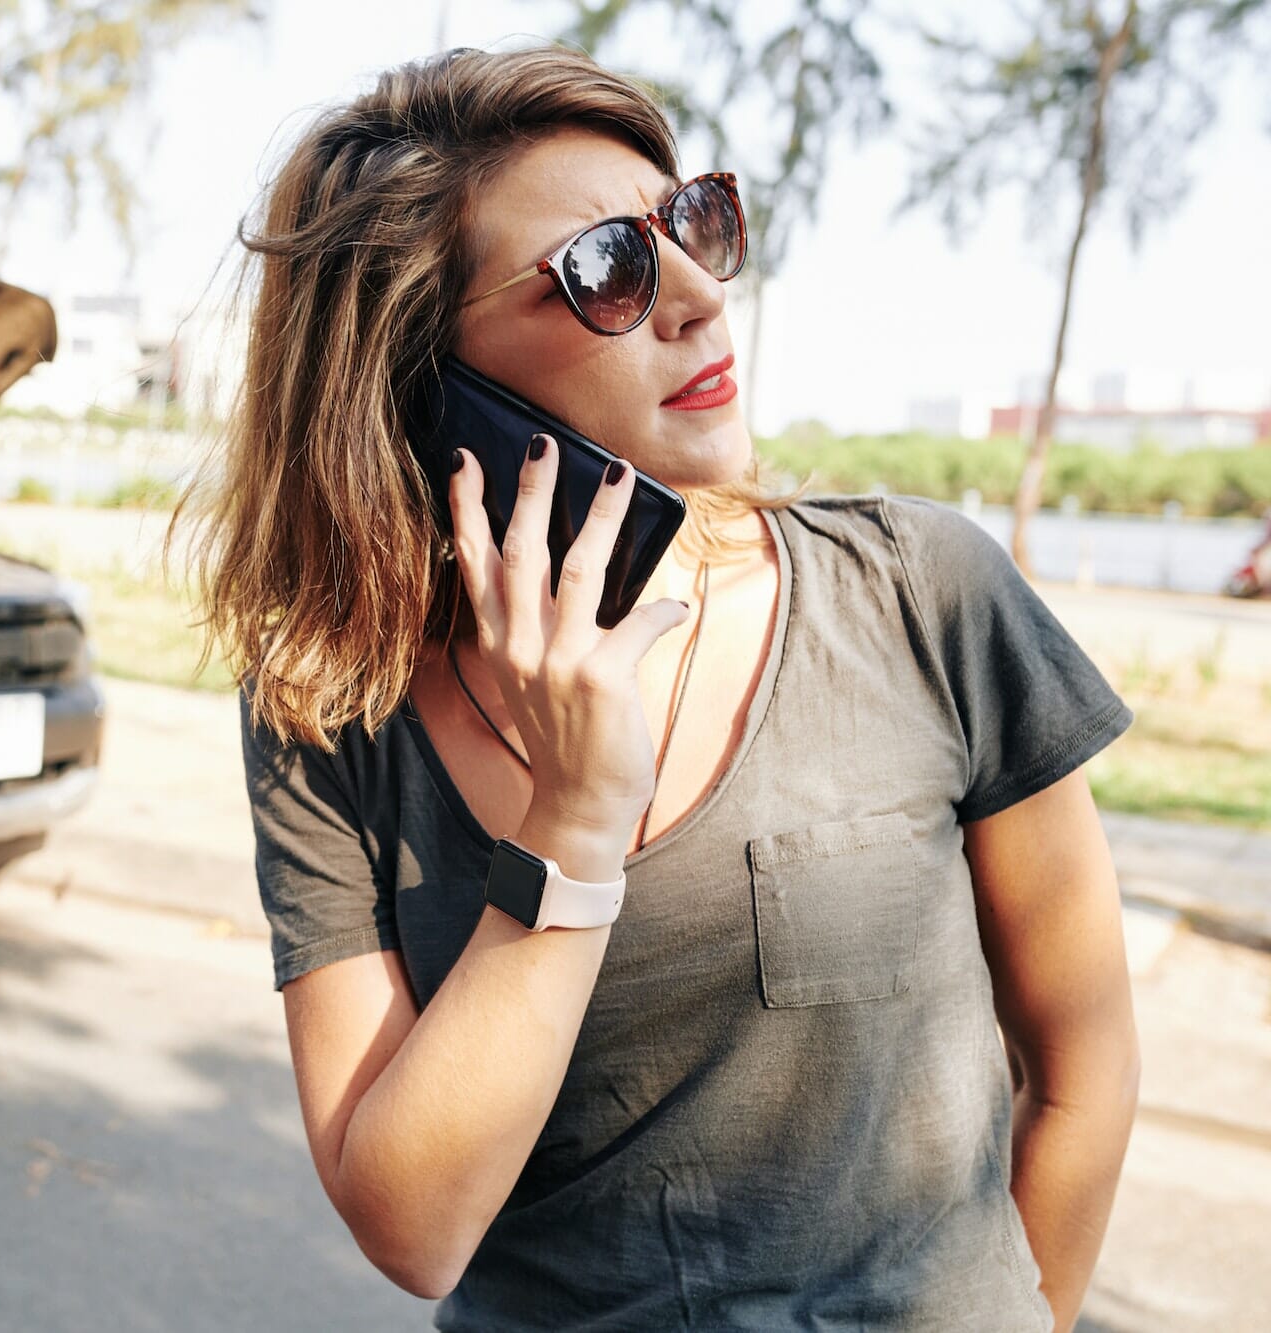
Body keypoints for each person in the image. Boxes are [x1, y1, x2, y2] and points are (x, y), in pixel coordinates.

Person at [175, 44, 1141, 1332]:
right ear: (425, 386)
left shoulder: (922, 593)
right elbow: (411, 1225)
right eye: (608, 270)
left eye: (692, 223)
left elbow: (1082, 1067)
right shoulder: (328, 697)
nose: (697, 291)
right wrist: (572, 827)